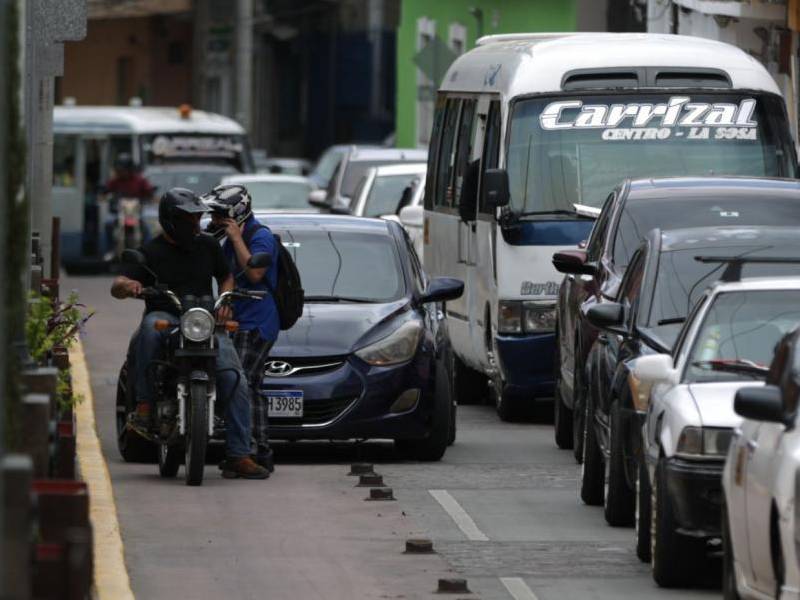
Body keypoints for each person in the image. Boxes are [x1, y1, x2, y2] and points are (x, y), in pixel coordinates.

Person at [110, 187, 269, 480]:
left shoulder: (207, 246)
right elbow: (119, 282)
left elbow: (226, 276)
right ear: (171, 220)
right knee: (148, 329)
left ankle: (239, 454)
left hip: (202, 319)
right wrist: (128, 286)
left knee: (235, 376)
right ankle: (145, 405)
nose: (195, 225)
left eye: (197, 219)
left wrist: (226, 299)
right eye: (188, 220)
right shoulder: (151, 251)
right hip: (166, 315)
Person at [203, 184, 279, 472]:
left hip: (258, 321)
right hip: (239, 319)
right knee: (250, 385)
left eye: (220, 215)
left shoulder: (260, 237)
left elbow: (256, 272)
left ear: (236, 213)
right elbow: (229, 276)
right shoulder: (227, 241)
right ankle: (258, 449)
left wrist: (235, 237)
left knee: (241, 382)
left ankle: (250, 450)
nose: (215, 220)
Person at [103, 154, 156, 257]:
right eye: (119, 170)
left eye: (123, 169)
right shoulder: (115, 181)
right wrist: (103, 191)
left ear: (130, 169)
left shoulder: (140, 180)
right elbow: (106, 189)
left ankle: (148, 252)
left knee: (146, 227)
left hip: (136, 212)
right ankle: (110, 250)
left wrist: (150, 194)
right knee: (108, 223)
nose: (121, 172)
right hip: (120, 212)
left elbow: (149, 191)